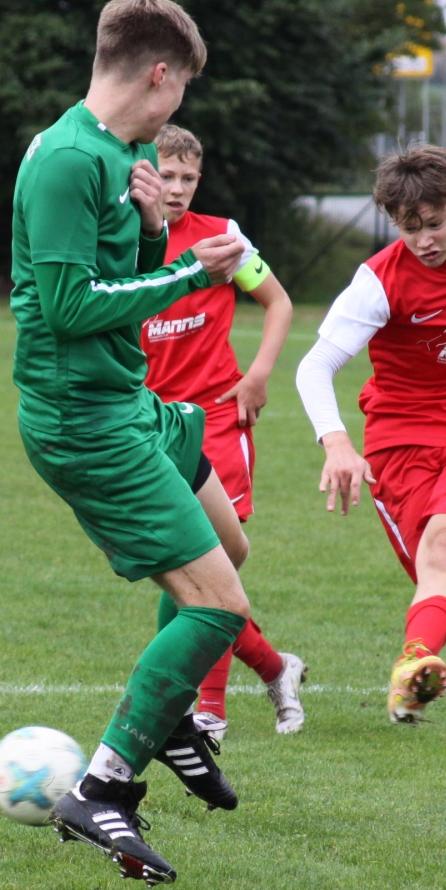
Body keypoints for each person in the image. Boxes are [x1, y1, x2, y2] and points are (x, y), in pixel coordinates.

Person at [11, 0, 252, 884]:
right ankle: (102, 787)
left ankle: (171, 714)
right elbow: (69, 308)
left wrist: (153, 235)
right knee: (218, 606)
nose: (179, 107)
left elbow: (116, 282)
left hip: (129, 397)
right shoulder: (68, 160)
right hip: (83, 419)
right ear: (158, 75)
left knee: (231, 546)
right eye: (181, 87)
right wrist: (190, 271)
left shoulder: (124, 157)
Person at [292, 144, 446, 831]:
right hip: (401, 448)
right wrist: (337, 442)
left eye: (434, 223)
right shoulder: (379, 282)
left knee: (445, 551)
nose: (424, 240)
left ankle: (415, 665)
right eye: (408, 228)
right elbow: (314, 368)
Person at [140, 123, 306, 738]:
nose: (177, 188)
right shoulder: (121, 240)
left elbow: (279, 302)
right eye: (166, 174)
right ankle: (274, 668)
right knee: (184, 561)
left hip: (216, 419)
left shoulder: (222, 238)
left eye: (188, 178)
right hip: (151, 424)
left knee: (209, 557)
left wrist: (257, 375)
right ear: (143, 173)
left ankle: (204, 709)